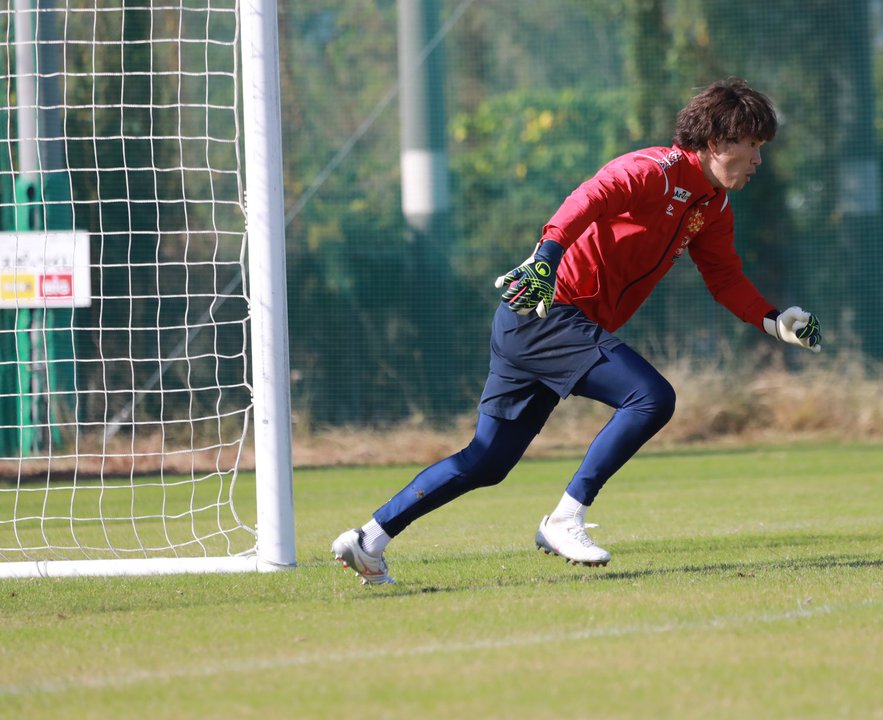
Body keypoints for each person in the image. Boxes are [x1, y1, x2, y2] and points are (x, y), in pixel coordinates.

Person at [333, 78, 822, 585]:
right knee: (651, 397)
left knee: (487, 461)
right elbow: (591, 195)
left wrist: (771, 318)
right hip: (546, 311)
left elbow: (724, 278)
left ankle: (369, 539)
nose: (758, 161)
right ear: (719, 141)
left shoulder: (712, 207)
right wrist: (546, 257)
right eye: (754, 146)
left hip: (541, 325)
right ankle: (566, 518)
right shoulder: (655, 170)